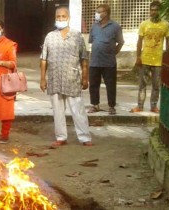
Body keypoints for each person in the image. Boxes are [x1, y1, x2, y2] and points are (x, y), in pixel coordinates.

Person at [39, 6, 92, 147]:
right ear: (55, 18)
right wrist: (43, 78)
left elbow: (84, 58)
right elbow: (43, 59)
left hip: (72, 78)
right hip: (54, 79)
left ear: (68, 18)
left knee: (77, 109)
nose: (61, 19)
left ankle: (85, 137)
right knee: (57, 110)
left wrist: (85, 77)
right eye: (58, 17)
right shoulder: (50, 37)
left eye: (63, 16)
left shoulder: (77, 36)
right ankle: (61, 137)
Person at [130, 1, 169, 114]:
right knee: (142, 84)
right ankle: (140, 106)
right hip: (145, 59)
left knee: (156, 85)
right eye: (152, 10)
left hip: (158, 60)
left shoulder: (165, 25)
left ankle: (153, 106)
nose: (153, 12)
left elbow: (168, 41)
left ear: (160, 11)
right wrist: (138, 56)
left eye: (156, 9)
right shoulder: (144, 24)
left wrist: (168, 57)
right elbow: (139, 41)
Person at [88, 4, 124, 115]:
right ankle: (95, 105)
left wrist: (113, 52)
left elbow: (121, 42)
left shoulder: (115, 27)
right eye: (96, 11)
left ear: (106, 13)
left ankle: (111, 106)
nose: (97, 14)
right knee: (93, 84)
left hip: (109, 63)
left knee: (111, 85)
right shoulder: (94, 27)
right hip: (95, 61)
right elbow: (91, 41)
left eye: (99, 12)